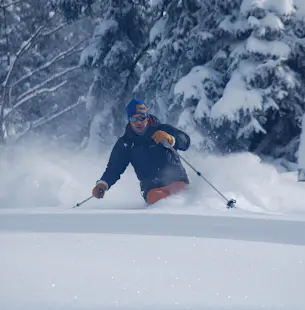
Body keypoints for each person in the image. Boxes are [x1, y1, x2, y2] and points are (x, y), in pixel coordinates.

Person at [92, 98, 191, 204]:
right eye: (134, 119)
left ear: (147, 117)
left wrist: (171, 139)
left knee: (182, 200)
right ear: (129, 120)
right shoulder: (126, 143)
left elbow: (185, 142)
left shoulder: (163, 130)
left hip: (176, 180)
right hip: (152, 188)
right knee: (161, 202)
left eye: (142, 117)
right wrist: (103, 183)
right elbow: (114, 168)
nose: (138, 122)